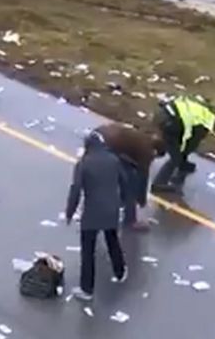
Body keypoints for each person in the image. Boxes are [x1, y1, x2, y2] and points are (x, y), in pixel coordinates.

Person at [65, 130, 127, 301]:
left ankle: (87, 289)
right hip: (112, 209)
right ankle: (120, 271)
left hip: (92, 212)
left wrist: (70, 212)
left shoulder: (83, 164)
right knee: (112, 240)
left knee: (88, 251)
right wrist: (122, 202)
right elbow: (124, 181)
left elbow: (76, 190)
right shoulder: (114, 160)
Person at [151, 95, 215, 194]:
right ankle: (159, 183)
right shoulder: (205, 123)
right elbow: (190, 143)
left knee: (179, 146)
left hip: (164, 115)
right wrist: (181, 155)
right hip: (171, 123)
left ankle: (182, 164)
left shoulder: (198, 111)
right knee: (175, 157)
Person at [97, 123, 156, 229]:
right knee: (131, 186)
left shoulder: (140, 137)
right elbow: (143, 176)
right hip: (109, 146)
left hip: (101, 137)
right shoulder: (147, 151)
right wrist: (141, 199)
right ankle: (130, 220)